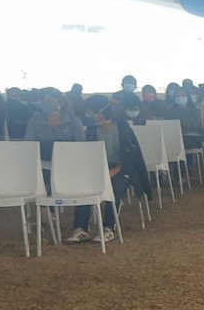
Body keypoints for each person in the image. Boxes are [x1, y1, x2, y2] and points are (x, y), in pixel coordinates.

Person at [64, 96, 151, 243]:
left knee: (115, 188)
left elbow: (129, 157)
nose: (89, 116)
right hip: (98, 167)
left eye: (91, 112)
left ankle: (108, 228)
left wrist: (112, 172)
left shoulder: (122, 129)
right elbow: (89, 155)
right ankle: (81, 229)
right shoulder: (92, 130)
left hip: (121, 169)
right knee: (84, 186)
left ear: (102, 112)